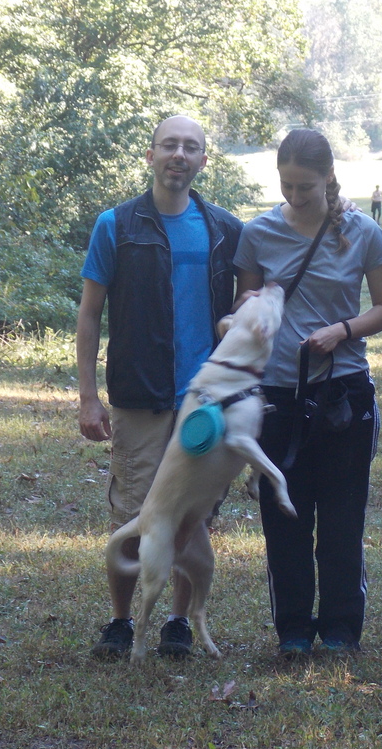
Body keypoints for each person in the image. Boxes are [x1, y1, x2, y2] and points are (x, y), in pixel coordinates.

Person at [78, 115, 242, 661]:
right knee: (134, 509)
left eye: (190, 147)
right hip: (140, 394)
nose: (179, 155)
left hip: (204, 400)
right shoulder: (117, 225)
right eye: (169, 145)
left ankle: (177, 622)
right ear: (150, 155)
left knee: (192, 513)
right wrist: (87, 395)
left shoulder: (224, 229)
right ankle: (121, 622)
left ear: (202, 161)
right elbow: (90, 313)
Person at [234, 128, 382, 658]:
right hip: (276, 394)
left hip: (343, 393)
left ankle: (341, 630)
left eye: (306, 186)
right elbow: (245, 305)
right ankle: (294, 631)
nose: (295, 197)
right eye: (286, 185)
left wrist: (342, 331)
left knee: (343, 518)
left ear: (329, 177)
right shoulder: (257, 233)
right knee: (285, 516)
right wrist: (244, 320)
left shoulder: (363, 231)